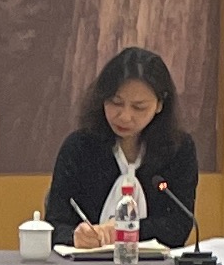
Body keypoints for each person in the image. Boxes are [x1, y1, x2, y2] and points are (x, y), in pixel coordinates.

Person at [40, 48, 201, 249]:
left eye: (139, 107)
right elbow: (54, 225)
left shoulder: (178, 149)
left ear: (160, 104)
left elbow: (178, 226)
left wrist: (124, 230)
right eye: (115, 103)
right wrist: (75, 236)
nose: (124, 116)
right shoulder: (79, 147)